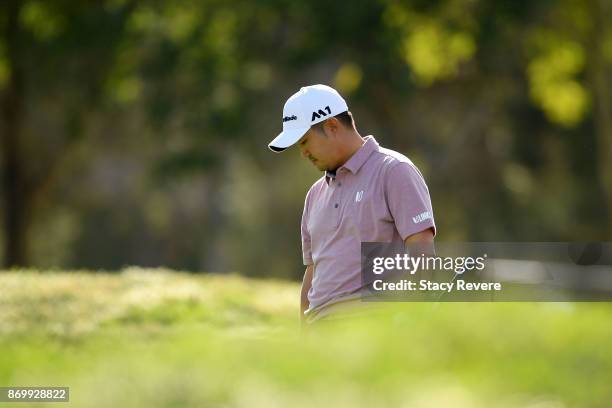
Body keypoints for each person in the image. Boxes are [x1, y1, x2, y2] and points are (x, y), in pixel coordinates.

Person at [268, 84, 436, 325]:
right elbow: (314, 271)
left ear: (332, 126)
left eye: (305, 142)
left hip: (374, 324)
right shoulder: (315, 194)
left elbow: (421, 246)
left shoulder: (393, 171)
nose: (303, 153)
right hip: (321, 330)